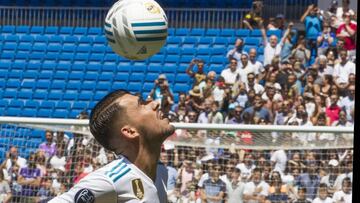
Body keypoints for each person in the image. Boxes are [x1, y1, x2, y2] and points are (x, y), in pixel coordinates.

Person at [50, 90, 175, 202]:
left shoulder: (161, 171)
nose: (155, 103)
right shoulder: (111, 180)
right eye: (142, 103)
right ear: (130, 132)